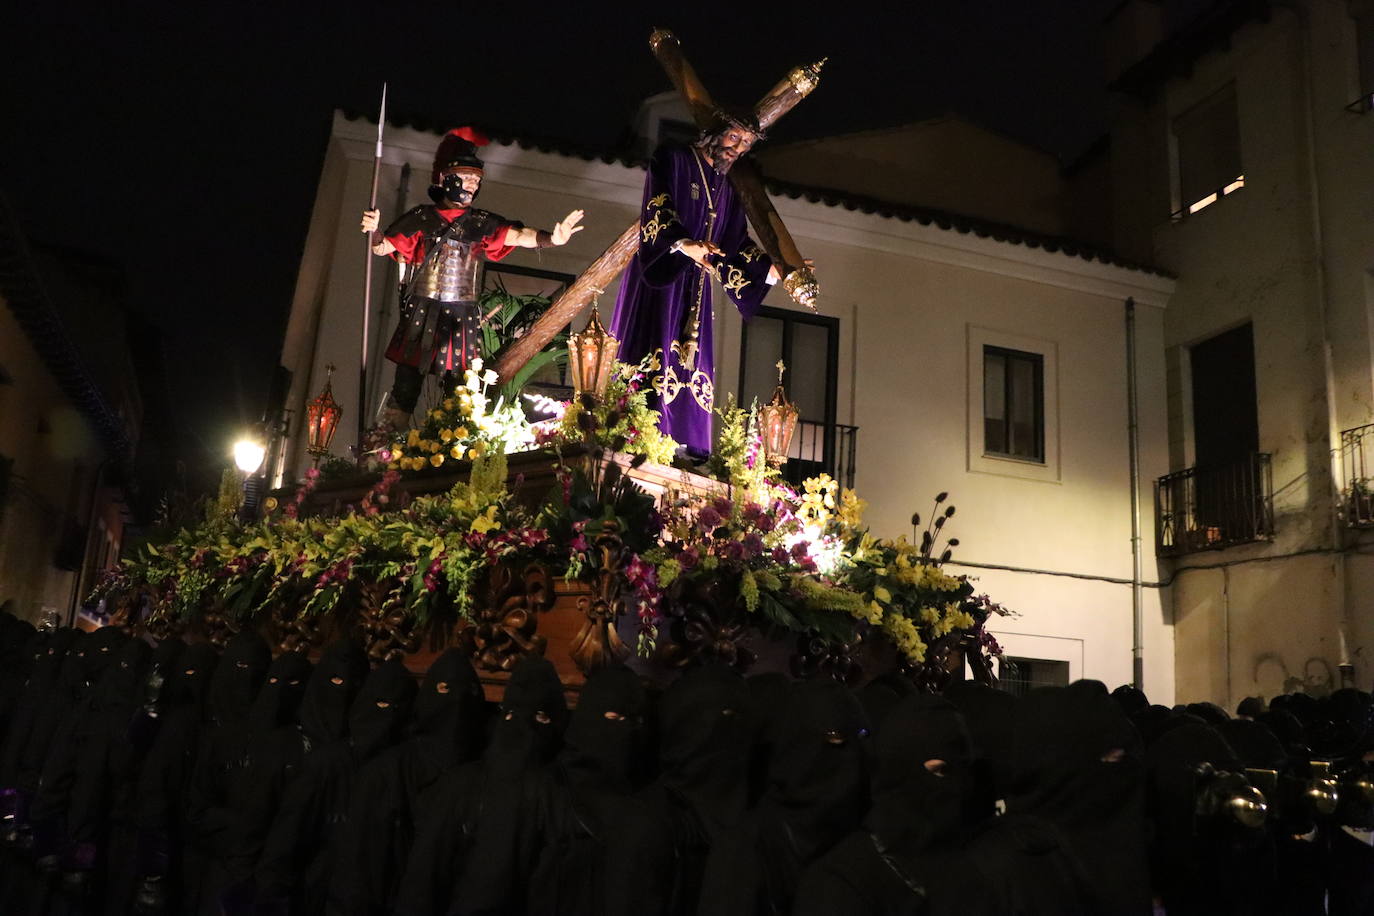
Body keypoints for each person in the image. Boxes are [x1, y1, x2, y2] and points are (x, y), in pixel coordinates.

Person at [360, 127, 585, 431]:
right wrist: (375, 228)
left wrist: (551, 239)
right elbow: (383, 246)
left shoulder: (482, 223)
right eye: (467, 178)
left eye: (477, 180)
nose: (472, 185)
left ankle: (452, 449)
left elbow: (517, 235)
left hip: (461, 318)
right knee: (405, 389)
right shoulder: (422, 218)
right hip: (422, 313)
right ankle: (381, 450)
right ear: (446, 178)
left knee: (460, 396)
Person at [609, 108, 799, 459]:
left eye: (746, 143)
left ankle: (686, 445)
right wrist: (683, 243)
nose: (738, 148)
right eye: (733, 137)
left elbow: (735, 241)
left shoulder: (729, 184)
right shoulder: (674, 158)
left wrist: (770, 271)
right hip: (663, 272)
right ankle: (640, 431)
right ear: (715, 131)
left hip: (697, 285)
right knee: (656, 351)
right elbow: (658, 205)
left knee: (691, 362)